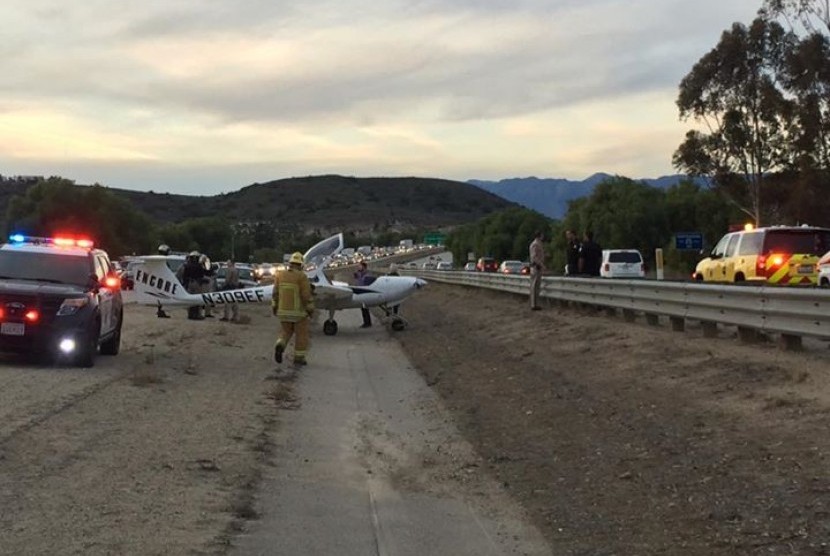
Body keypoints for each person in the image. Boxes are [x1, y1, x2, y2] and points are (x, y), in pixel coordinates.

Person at [272, 252, 315, 367]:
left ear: (290, 263)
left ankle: (280, 345)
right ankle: (298, 358)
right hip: (298, 313)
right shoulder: (302, 277)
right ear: (301, 265)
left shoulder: (280, 275)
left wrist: (274, 307)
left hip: (283, 311)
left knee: (285, 332)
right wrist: (310, 310)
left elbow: (275, 293)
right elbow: (306, 296)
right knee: (301, 335)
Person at [181, 251, 207, 320]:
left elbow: (184, 276)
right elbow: (201, 275)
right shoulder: (199, 266)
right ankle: (196, 314)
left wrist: (185, 283)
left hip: (189, 283)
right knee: (197, 299)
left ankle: (190, 314)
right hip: (197, 283)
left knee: (190, 299)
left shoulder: (187, 265)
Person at [528, 231, 545, 310]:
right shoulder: (535, 244)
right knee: (534, 286)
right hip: (536, 267)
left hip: (537, 267)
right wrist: (541, 264)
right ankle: (534, 304)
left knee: (536, 286)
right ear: (539, 236)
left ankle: (535, 304)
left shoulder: (538, 244)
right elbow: (534, 257)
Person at [354, 260, 372, 328]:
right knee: (363, 308)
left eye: (359, 266)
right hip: (360, 292)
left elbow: (365, 283)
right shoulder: (359, 274)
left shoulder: (367, 275)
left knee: (365, 308)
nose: (358, 267)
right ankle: (367, 322)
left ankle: (367, 322)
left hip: (364, 292)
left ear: (363, 267)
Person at [156, 244, 172, 318]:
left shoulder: (159, 260)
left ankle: (160, 310)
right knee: (162, 296)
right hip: (162, 281)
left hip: (159, 281)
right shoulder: (162, 261)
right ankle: (160, 311)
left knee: (160, 296)